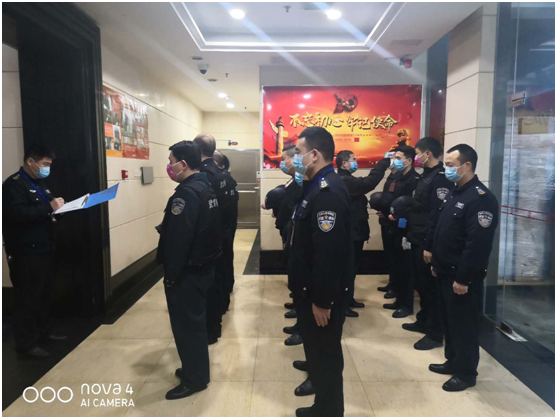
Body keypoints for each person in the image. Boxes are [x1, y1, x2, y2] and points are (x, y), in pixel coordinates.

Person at [288, 127, 353, 417]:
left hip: (320, 295)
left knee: (326, 354)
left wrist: (323, 300)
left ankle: (328, 410)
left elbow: (328, 254)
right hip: (308, 289)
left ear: (314, 154)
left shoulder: (328, 192)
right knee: (318, 350)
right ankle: (323, 403)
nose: (296, 159)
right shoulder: (315, 185)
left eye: (299, 153)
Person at [429, 144, 499, 392]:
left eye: (450, 165)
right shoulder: (455, 192)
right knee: (450, 321)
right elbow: (444, 231)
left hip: (462, 277)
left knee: (464, 325)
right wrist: (437, 263)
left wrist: (464, 278)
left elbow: (477, 245)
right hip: (445, 270)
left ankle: (466, 373)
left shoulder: (481, 198)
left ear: (467, 165)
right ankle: (453, 360)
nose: (446, 169)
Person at [157, 140, 221, 400]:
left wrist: (171, 277)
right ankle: (194, 369)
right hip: (203, 268)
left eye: (171, 162)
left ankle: (195, 379)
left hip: (188, 273)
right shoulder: (206, 186)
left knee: (187, 327)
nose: (169, 166)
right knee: (194, 324)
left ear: (183, 164)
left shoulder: (186, 194)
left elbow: (179, 241)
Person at [2, 144, 67, 358]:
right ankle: (26, 344)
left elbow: (45, 212)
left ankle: (44, 333)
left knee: (43, 295)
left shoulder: (40, 183)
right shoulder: (13, 186)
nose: (47, 168)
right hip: (25, 252)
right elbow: (17, 215)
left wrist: (59, 210)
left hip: (44, 248)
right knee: (27, 299)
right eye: (45, 164)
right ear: (31, 162)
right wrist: (49, 208)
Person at [402, 137, 453, 351]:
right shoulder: (426, 176)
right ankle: (423, 320)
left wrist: (430, 246)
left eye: (417, 154)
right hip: (417, 236)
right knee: (422, 285)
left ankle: (434, 333)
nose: (416, 158)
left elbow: (436, 215)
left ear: (427, 154)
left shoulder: (440, 179)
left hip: (426, 240)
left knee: (431, 290)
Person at [336, 150, 391, 318]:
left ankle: (348, 299)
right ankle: (343, 304)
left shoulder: (346, 179)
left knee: (352, 269)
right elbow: (369, 182)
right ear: (344, 164)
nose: (355, 162)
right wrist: (384, 163)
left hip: (356, 231)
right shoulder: (345, 180)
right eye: (353, 160)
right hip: (350, 233)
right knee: (347, 270)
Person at [193, 134, 231, 344]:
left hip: (208, 238)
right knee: (218, 280)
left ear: (197, 150)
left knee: (209, 285)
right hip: (222, 233)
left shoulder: (204, 175)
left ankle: (211, 329)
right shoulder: (220, 173)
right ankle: (217, 318)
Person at [379, 146, 419, 318]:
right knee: (396, 262)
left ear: (409, 161)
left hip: (405, 227)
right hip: (391, 224)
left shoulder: (414, 180)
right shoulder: (396, 177)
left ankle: (406, 305)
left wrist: (400, 217)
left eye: (398, 158)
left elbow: (413, 206)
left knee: (406, 268)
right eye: (394, 157)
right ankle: (398, 296)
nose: (395, 161)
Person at [213, 151, 239, 311]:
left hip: (223, 226)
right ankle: (228, 285)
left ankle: (223, 295)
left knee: (222, 260)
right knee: (227, 256)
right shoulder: (228, 178)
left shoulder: (220, 179)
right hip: (228, 225)